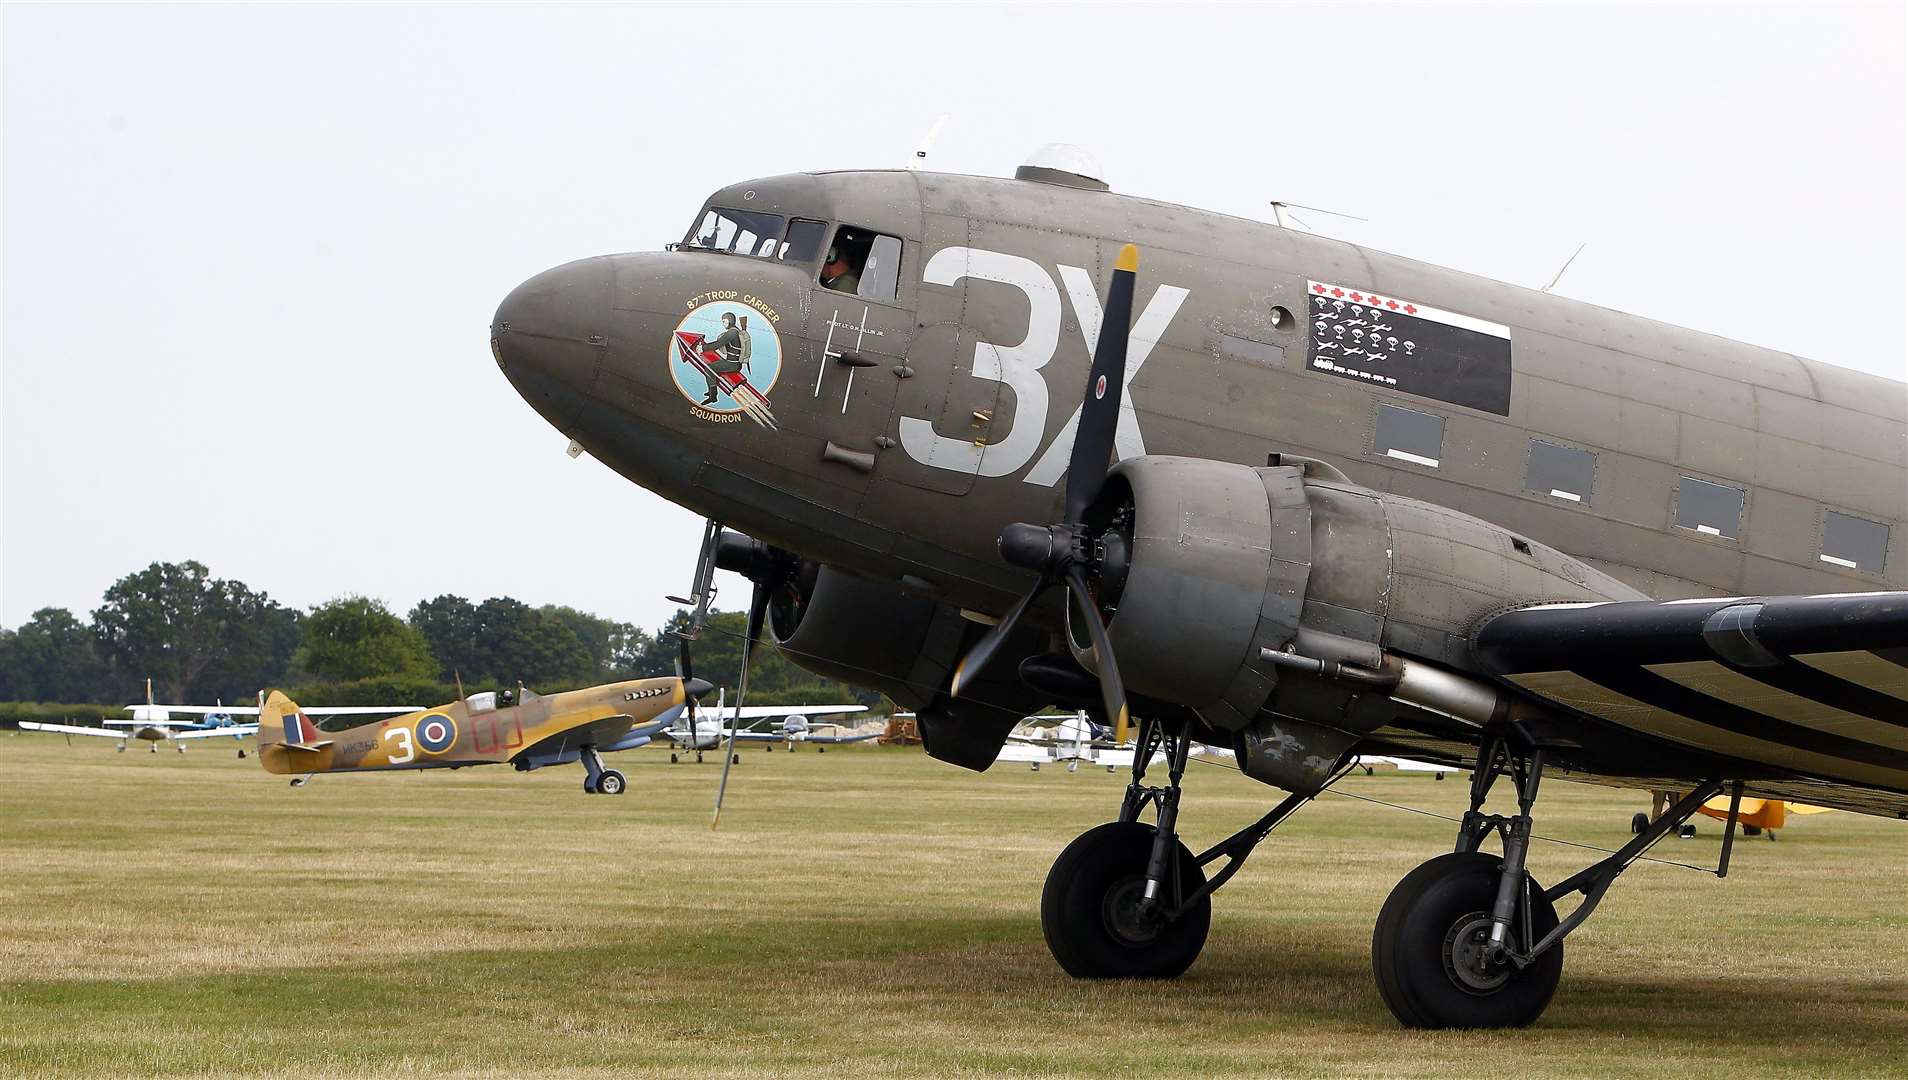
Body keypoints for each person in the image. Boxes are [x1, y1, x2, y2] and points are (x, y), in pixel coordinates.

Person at [699, 312, 745, 405]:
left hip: (733, 364)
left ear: (730, 321)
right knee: (715, 364)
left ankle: (713, 396)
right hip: (734, 362)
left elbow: (718, 344)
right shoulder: (736, 330)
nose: (723, 324)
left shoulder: (732, 333)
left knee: (709, 368)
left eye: (724, 321)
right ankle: (711, 391)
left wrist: (703, 348)